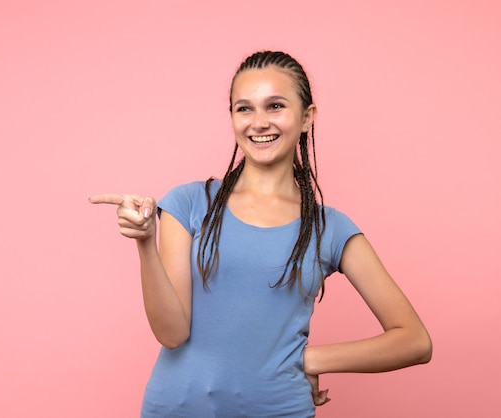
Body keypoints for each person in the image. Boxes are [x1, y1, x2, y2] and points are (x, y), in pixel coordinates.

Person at [89, 50, 432, 418]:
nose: (259, 122)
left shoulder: (329, 228)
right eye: (244, 109)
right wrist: (145, 243)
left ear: (307, 117)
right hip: (175, 408)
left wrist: (311, 359)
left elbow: (414, 341)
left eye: (275, 106)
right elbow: (172, 334)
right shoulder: (188, 203)